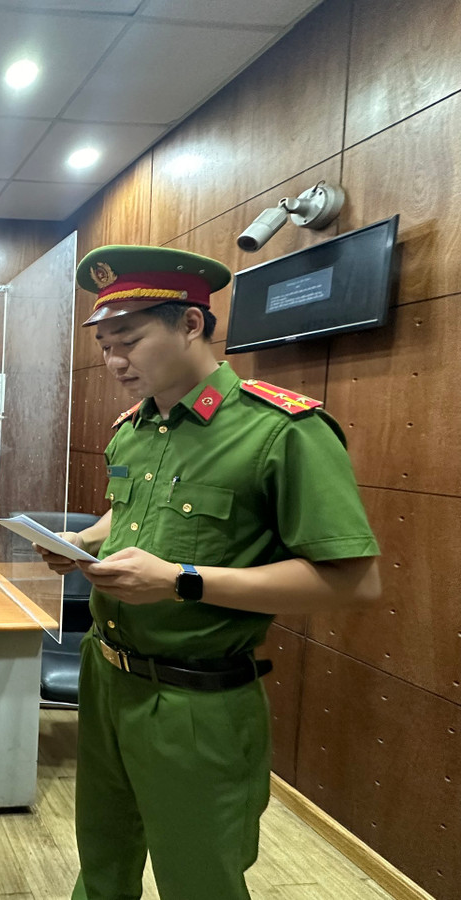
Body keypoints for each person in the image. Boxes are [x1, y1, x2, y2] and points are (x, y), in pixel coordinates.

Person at [37, 245, 381, 900]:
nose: (114, 362)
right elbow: (128, 511)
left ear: (191, 324)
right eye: (105, 345)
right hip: (106, 676)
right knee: (102, 861)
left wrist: (181, 580)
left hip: (194, 701)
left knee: (198, 880)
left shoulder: (281, 431)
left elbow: (354, 581)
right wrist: (81, 540)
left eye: (129, 341)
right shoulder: (133, 429)